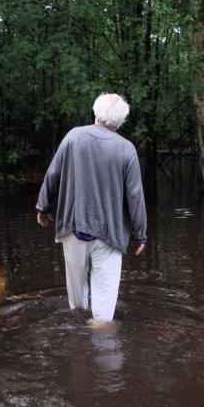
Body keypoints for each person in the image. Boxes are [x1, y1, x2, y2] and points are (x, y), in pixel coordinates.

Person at [36, 93, 147, 325]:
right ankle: (101, 346)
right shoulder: (127, 149)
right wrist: (139, 235)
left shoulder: (74, 136)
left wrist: (43, 207)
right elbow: (135, 196)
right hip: (110, 236)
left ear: (96, 112)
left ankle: (77, 347)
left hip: (73, 229)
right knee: (104, 312)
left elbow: (53, 174)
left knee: (76, 304)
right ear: (120, 121)